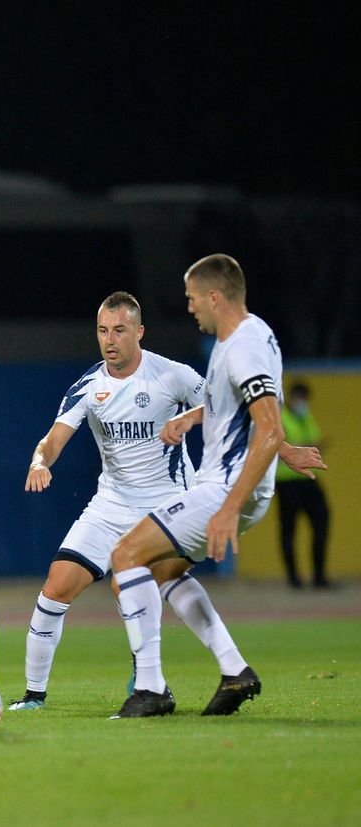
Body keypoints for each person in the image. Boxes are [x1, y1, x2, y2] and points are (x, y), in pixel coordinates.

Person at [9, 292, 257, 712]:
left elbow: (229, 406)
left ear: (139, 332)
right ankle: (33, 697)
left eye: (119, 330)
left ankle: (154, 682)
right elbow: (52, 440)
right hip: (111, 505)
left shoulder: (171, 375)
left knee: (158, 578)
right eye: (103, 331)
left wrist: (280, 447)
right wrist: (40, 462)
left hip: (167, 504)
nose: (110, 339)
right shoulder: (88, 386)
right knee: (55, 589)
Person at [109, 254, 325, 718]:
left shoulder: (243, 346)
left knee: (126, 556)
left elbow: (265, 426)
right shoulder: (250, 334)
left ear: (213, 296)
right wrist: (192, 416)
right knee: (165, 571)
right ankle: (234, 672)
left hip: (227, 487)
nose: (189, 308)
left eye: (191, 299)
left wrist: (229, 507)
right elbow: (250, 410)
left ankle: (149, 689)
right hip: (233, 487)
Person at [275, 382, 331, 589]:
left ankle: (319, 576)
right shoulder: (280, 417)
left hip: (309, 479)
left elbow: (311, 443)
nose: (303, 403)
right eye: (300, 397)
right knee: (289, 530)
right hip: (287, 482)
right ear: (290, 396)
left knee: (322, 523)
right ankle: (294, 579)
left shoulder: (305, 417)